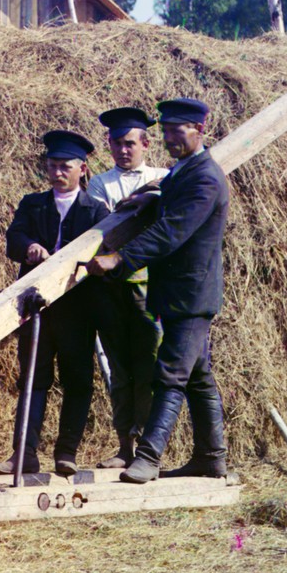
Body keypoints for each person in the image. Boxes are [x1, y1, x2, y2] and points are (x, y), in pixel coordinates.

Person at [85, 97, 230, 483]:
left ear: (200, 130)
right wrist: (152, 194)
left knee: (170, 373)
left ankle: (147, 458)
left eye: (177, 132)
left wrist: (120, 259)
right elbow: (168, 202)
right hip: (179, 292)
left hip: (192, 295)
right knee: (198, 375)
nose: (169, 139)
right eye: (165, 132)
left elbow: (172, 232)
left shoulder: (205, 177)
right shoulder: (183, 171)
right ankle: (211, 458)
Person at [0, 130, 109, 478]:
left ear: (82, 170)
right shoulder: (33, 204)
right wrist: (28, 246)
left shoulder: (96, 211)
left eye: (65, 167)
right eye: (52, 166)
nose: (58, 173)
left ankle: (66, 453)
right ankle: (24, 454)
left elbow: (101, 255)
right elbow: (13, 238)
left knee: (77, 379)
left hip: (77, 309)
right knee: (32, 377)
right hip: (35, 308)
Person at [85, 106, 169, 468]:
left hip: (149, 287)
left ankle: (150, 448)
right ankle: (124, 446)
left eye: (130, 143)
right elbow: (105, 227)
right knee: (120, 368)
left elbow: (165, 227)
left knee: (149, 363)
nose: (123, 150)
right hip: (110, 287)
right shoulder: (99, 183)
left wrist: (151, 195)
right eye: (117, 143)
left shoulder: (165, 177)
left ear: (146, 144)